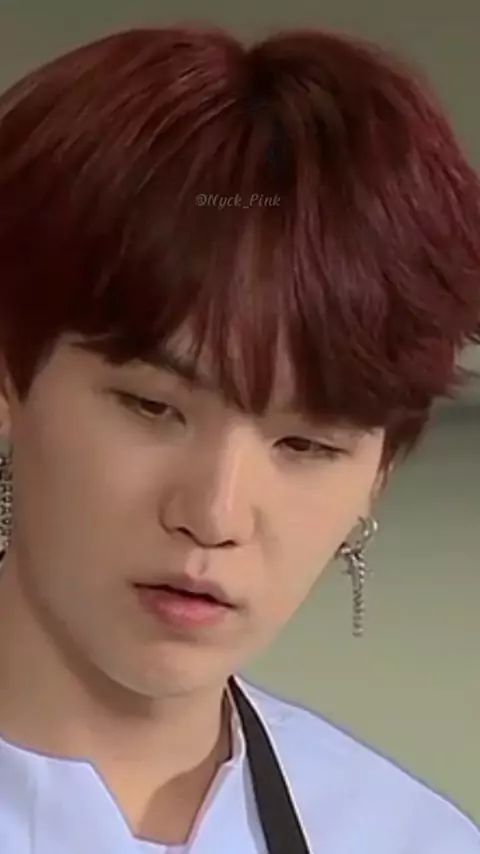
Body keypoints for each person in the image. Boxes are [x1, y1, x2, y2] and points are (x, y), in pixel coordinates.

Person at [0, 23, 478, 854]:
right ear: (10, 377)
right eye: (152, 407)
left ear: (380, 471)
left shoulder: (409, 838)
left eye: (308, 445)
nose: (214, 515)